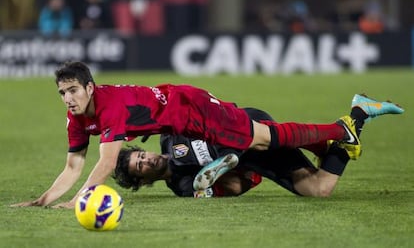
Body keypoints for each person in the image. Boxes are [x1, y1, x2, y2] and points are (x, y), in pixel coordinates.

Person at [11, 61, 403, 208]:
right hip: (181, 122)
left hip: (191, 109)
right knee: (310, 182)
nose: (67, 98)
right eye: (62, 93)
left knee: (260, 138)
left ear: (90, 88)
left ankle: (342, 129)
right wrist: (44, 200)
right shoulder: (75, 120)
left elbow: (106, 162)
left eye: (73, 90)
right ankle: (346, 125)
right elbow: (72, 165)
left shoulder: (110, 107)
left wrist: (79, 201)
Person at [113, 102, 403, 198]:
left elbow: (201, 110)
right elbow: (236, 188)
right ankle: (359, 113)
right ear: (144, 182)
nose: (146, 160)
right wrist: (231, 178)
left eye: (140, 156)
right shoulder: (182, 184)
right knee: (318, 188)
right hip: (250, 160)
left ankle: (345, 128)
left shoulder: (170, 137)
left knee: (289, 140)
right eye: (140, 167)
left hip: (245, 128)